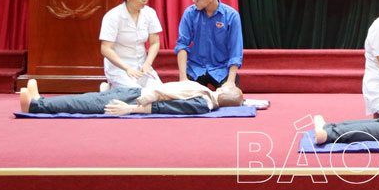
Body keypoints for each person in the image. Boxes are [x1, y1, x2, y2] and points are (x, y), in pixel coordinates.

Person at [19, 78, 243, 116]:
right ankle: (43, 101)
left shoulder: (203, 104)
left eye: (227, 87)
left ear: (223, 93)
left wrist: (130, 110)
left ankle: (36, 106)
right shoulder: (205, 93)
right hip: (136, 92)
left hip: (135, 101)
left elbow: (166, 107)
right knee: (89, 97)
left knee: (84, 104)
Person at [174, 0, 244, 89]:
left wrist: (230, 81)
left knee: (229, 96)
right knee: (187, 97)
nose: (193, 1)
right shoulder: (189, 13)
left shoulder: (231, 16)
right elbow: (182, 45)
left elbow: (235, 51)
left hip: (221, 70)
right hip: (195, 69)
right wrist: (183, 79)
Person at [99, 0, 163, 90]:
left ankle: (112, 90)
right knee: (136, 93)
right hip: (120, 68)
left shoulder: (150, 13)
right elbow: (105, 48)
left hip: (142, 67)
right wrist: (127, 68)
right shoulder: (113, 16)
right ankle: (109, 89)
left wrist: (147, 64)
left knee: (159, 92)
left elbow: (155, 42)